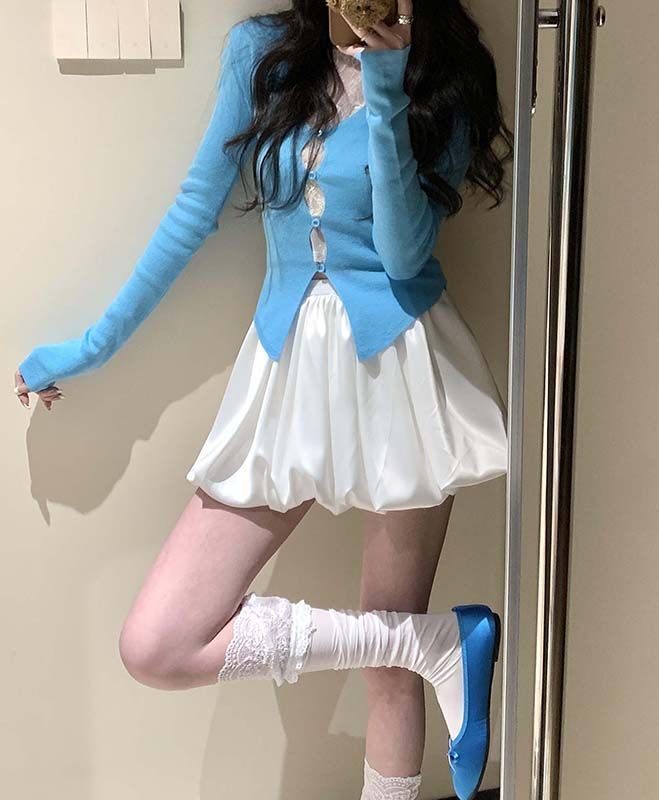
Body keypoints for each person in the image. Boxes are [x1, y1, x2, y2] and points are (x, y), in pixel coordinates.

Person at [14, 2, 514, 799]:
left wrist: (388, 87)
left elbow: (403, 255)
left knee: (389, 669)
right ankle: (437, 643)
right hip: (284, 372)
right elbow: (193, 211)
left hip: (403, 370)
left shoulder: (448, 71)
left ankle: (424, 649)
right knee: (158, 642)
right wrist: (92, 347)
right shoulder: (264, 53)